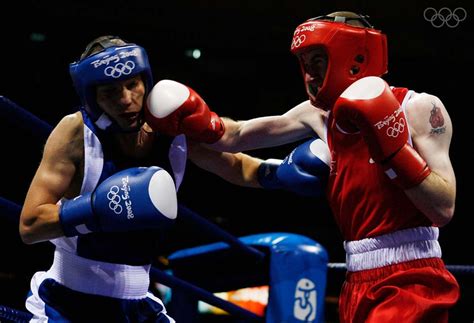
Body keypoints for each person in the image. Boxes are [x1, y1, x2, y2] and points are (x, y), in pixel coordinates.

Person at [148, 12, 460, 322]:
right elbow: (236, 136)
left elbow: (443, 209)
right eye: (305, 63)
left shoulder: (418, 108)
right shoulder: (319, 115)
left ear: (355, 58)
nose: (309, 74)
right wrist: (192, 123)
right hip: (356, 279)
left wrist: (392, 150)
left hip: (412, 276)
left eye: (318, 61)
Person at [19, 35, 272, 322]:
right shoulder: (76, 133)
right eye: (111, 92)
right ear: (93, 98)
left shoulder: (172, 125)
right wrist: (97, 208)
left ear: (145, 82)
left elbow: (239, 167)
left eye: (132, 85)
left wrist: (284, 172)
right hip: (68, 301)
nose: (126, 100)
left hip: (137, 304)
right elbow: (30, 225)